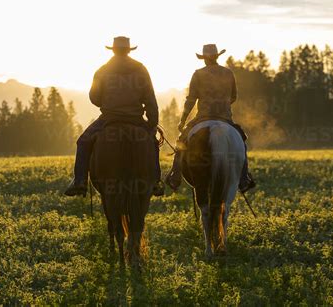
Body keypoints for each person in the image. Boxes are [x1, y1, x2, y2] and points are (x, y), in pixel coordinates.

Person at [65, 36, 165, 197]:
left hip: (108, 119)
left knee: (83, 142)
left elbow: (94, 97)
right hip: (136, 119)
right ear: (128, 50)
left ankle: (80, 181)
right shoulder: (141, 69)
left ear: (113, 50)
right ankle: (155, 181)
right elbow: (150, 99)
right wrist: (152, 124)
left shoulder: (103, 70)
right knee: (152, 144)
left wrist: (108, 102)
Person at [165, 44, 256, 193]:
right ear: (217, 56)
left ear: (204, 58)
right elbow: (234, 96)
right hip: (225, 117)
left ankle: (176, 174)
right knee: (241, 141)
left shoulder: (198, 74)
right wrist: (223, 105)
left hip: (203, 117)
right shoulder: (228, 73)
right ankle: (244, 177)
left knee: (181, 141)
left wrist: (183, 120)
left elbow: (191, 99)